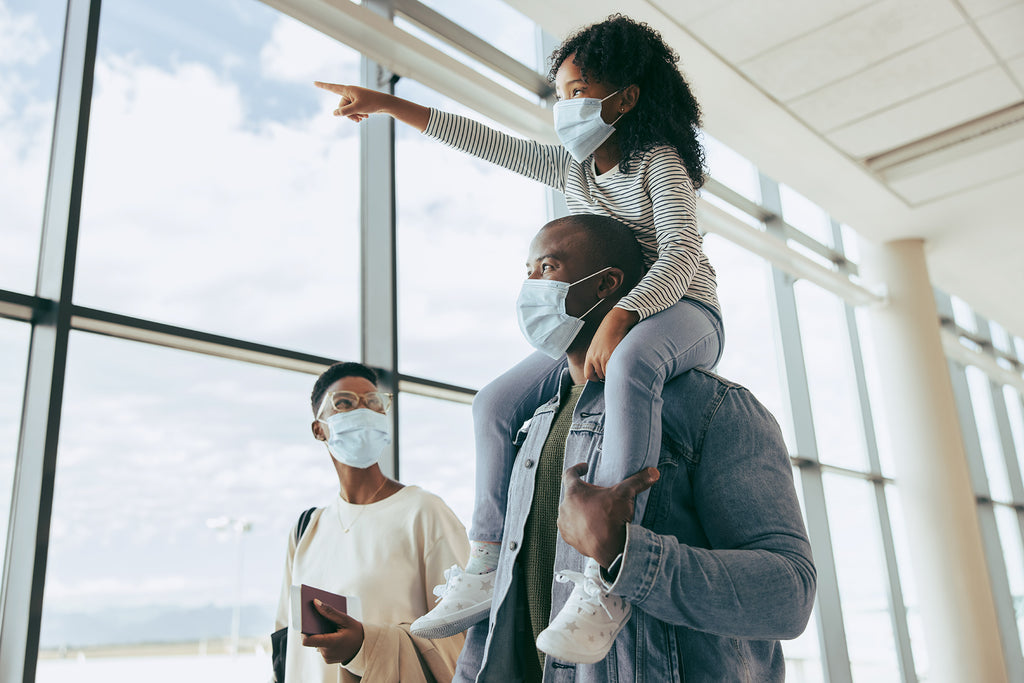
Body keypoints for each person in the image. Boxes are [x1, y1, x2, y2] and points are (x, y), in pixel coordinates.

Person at [314, 14, 725, 647]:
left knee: (633, 365)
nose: (566, 106)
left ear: (626, 97)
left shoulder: (658, 163)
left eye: (578, 91)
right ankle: (483, 561)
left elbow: (681, 254)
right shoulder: (575, 170)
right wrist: (389, 104)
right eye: (560, 93)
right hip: (606, 321)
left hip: (685, 311)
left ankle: (608, 579)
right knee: (498, 400)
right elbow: (488, 142)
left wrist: (623, 314)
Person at [455, 214, 816, 679]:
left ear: (607, 284)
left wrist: (627, 555)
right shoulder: (530, 423)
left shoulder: (713, 410)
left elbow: (789, 596)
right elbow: (508, 601)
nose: (529, 287)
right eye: (527, 271)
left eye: (547, 267)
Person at [273, 361, 470, 682]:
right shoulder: (307, 527)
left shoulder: (423, 512)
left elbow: (463, 635)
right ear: (318, 429)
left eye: (374, 402)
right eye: (345, 403)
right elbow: (284, 638)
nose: (362, 410)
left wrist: (366, 646)